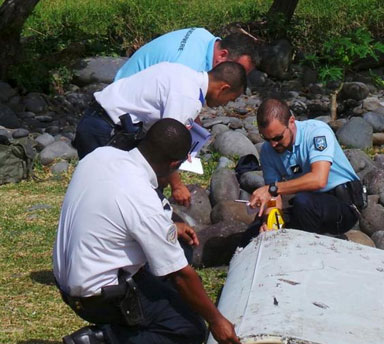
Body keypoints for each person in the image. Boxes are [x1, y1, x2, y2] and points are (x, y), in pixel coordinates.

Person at [54, 118, 241, 344]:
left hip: (69, 278)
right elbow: (181, 276)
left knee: (180, 251)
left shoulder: (101, 155)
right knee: (188, 329)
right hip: (97, 295)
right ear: (174, 165)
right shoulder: (141, 197)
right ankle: (99, 342)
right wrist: (216, 320)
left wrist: (171, 228)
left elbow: (114, 214)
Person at [73, 61, 247, 206]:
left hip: (96, 118)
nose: (224, 105)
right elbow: (167, 145)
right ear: (224, 88)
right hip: (107, 130)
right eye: (230, 99)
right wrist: (177, 186)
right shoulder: (188, 97)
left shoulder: (183, 72)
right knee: (106, 196)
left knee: (96, 190)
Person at [246, 98, 365, 236]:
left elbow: (319, 180)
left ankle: (310, 248)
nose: (273, 144)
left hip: (343, 206)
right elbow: (273, 198)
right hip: (309, 205)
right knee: (256, 228)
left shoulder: (317, 132)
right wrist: (270, 222)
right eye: (267, 139)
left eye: (278, 138)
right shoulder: (268, 151)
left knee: (303, 202)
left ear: (291, 122)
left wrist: (273, 188)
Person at [114, 27, 256, 81]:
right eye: (239, 71)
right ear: (222, 55)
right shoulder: (188, 68)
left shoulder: (203, 35)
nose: (238, 80)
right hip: (121, 110)